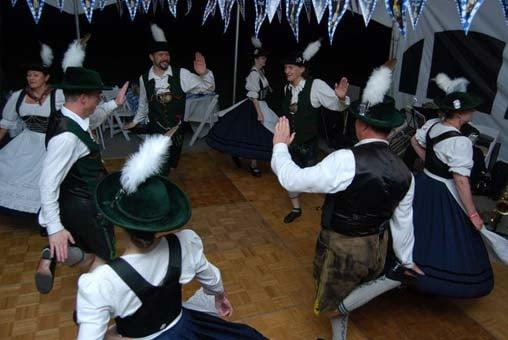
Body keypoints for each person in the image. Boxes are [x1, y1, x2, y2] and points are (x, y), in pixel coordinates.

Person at [271, 63, 421, 340]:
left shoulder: (345, 160)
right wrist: (407, 259)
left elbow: (292, 180)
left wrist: (280, 146)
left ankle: (390, 280)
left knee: (330, 305)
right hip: (376, 249)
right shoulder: (406, 174)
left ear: (361, 125)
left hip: (342, 248)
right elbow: (403, 223)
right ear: (387, 130)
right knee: (345, 299)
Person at [76, 133, 267, 340]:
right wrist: (220, 296)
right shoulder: (185, 243)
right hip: (186, 329)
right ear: (162, 222)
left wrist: (110, 336)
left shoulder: (100, 283)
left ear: (120, 224)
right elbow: (211, 278)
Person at [0, 39, 125, 218]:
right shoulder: (18, 97)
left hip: (49, 141)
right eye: (29, 75)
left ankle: (47, 216)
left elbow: (87, 116)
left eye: (35, 75)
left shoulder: (58, 96)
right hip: (25, 143)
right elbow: (5, 124)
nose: (31, 78)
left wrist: (114, 104)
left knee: (50, 178)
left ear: (46, 77)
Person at [35, 67, 128, 294]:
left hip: (71, 201)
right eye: (98, 96)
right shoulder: (67, 138)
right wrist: (55, 229)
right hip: (87, 207)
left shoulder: (64, 116)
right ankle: (96, 303)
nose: (99, 100)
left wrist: (114, 103)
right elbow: (47, 183)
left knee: (81, 245)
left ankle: (53, 254)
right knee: (104, 259)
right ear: (84, 98)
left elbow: (91, 121)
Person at [409, 73, 493, 298]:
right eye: (470, 109)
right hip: (442, 190)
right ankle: (433, 279)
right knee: (443, 234)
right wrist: (473, 213)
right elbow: (460, 180)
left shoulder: (433, 125)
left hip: (424, 182)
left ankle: (407, 268)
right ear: (459, 114)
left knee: (418, 227)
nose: (473, 112)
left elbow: (414, 141)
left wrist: (429, 162)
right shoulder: (461, 142)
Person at [124, 23, 215, 175]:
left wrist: (204, 73)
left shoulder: (182, 75)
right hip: (156, 131)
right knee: (160, 167)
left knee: (172, 165)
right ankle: (161, 192)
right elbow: (143, 104)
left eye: (166, 54)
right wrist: (135, 122)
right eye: (160, 55)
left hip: (176, 132)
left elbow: (208, 87)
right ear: (151, 57)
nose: (165, 58)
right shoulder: (144, 79)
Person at [277, 39, 350, 223]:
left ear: (302, 69)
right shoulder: (287, 88)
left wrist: (341, 99)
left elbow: (336, 106)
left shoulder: (315, 86)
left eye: (291, 67)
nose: (287, 71)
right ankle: (296, 208)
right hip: (290, 143)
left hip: (308, 142)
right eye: (286, 68)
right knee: (288, 174)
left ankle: (331, 204)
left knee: (313, 176)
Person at [206, 37, 278, 176]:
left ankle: (244, 157)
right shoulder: (253, 74)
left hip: (262, 104)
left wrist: (268, 90)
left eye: (264, 58)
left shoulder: (260, 73)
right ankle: (253, 164)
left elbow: (262, 88)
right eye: (262, 58)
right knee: (253, 135)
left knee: (257, 133)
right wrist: (259, 113)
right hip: (254, 105)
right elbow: (253, 94)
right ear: (256, 59)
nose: (264, 60)